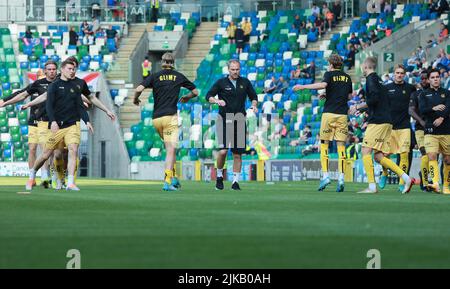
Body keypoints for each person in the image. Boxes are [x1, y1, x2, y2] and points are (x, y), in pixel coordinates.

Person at [25, 59, 94, 191]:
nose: (72, 71)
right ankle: (32, 173)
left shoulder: (75, 86)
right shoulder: (54, 86)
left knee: (73, 150)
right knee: (46, 154)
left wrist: (87, 121)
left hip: (71, 125)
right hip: (57, 126)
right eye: (69, 69)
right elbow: (49, 106)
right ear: (62, 70)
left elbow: (80, 106)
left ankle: (70, 183)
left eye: (73, 69)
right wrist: (53, 121)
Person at [134, 52, 199, 191]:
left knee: (170, 149)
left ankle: (174, 178)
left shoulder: (155, 76)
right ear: (173, 63)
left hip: (157, 119)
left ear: (162, 62)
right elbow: (196, 92)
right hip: (170, 117)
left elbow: (138, 89)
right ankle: (167, 181)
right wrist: (187, 97)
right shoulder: (179, 76)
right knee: (171, 149)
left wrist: (135, 99)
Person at [349, 57, 414, 194]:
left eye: (362, 66)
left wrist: (358, 106)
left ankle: (372, 187)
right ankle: (406, 178)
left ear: (366, 66)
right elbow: (379, 102)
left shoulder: (371, 79)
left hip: (378, 122)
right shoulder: (379, 81)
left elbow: (373, 99)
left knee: (365, 151)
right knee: (378, 156)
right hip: (386, 121)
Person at [294, 54, 352, 192]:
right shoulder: (347, 77)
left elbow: (323, 85)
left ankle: (326, 176)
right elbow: (349, 96)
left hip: (329, 114)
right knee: (341, 147)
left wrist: (303, 86)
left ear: (331, 64)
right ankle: (341, 178)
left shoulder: (329, 74)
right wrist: (328, 94)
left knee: (324, 144)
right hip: (342, 115)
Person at [0, 60, 58, 188]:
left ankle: (46, 176)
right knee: (33, 149)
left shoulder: (58, 84)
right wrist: (5, 100)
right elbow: (21, 94)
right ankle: (34, 177)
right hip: (34, 121)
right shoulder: (37, 85)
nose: (50, 72)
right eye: (47, 70)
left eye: (53, 69)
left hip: (50, 121)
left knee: (49, 150)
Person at [206, 59, 258, 191]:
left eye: (237, 69)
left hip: (240, 120)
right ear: (228, 70)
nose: (235, 71)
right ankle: (219, 176)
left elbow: (254, 96)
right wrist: (217, 101)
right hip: (224, 119)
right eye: (233, 69)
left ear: (240, 69)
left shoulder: (245, 82)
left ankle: (235, 182)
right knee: (223, 151)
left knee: (237, 154)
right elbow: (208, 96)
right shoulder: (221, 82)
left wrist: (254, 105)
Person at [379, 64, 416, 192]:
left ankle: (402, 182)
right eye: (397, 73)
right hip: (390, 127)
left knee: (404, 154)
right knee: (384, 155)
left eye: (401, 73)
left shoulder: (410, 88)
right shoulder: (386, 88)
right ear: (393, 74)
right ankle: (384, 173)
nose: (399, 75)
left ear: (404, 75)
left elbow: (415, 104)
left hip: (405, 126)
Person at [419, 68, 450, 194]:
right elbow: (422, 110)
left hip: (446, 130)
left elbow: (448, 108)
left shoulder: (447, 93)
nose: (435, 79)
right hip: (430, 131)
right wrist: (434, 108)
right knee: (432, 156)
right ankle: (436, 183)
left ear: (440, 78)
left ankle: (446, 186)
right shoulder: (423, 94)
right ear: (429, 80)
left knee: (448, 160)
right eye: (433, 77)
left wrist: (442, 117)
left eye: (437, 77)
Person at [409, 70, 430, 191]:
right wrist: (421, 121)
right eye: (421, 79)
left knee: (433, 157)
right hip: (420, 129)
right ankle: (426, 183)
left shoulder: (438, 93)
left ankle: (423, 174)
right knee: (424, 153)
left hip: (435, 129)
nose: (423, 81)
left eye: (425, 78)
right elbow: (411, 110)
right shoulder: (415, 94)